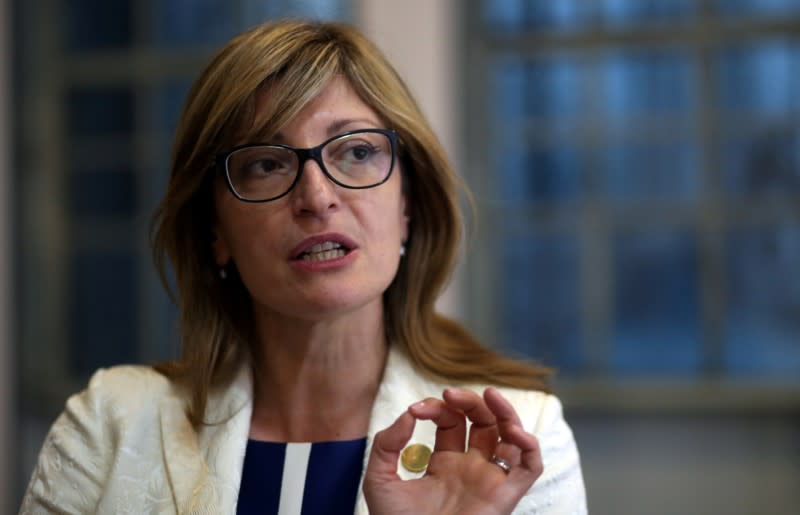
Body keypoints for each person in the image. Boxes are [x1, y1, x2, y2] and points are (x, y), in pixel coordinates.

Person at [20, 20, 587, 514]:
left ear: (409, 206)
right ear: (215, 231)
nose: (317, 197)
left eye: (358, 152)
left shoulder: (515, 437)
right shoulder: (110, 425)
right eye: (267, 164)